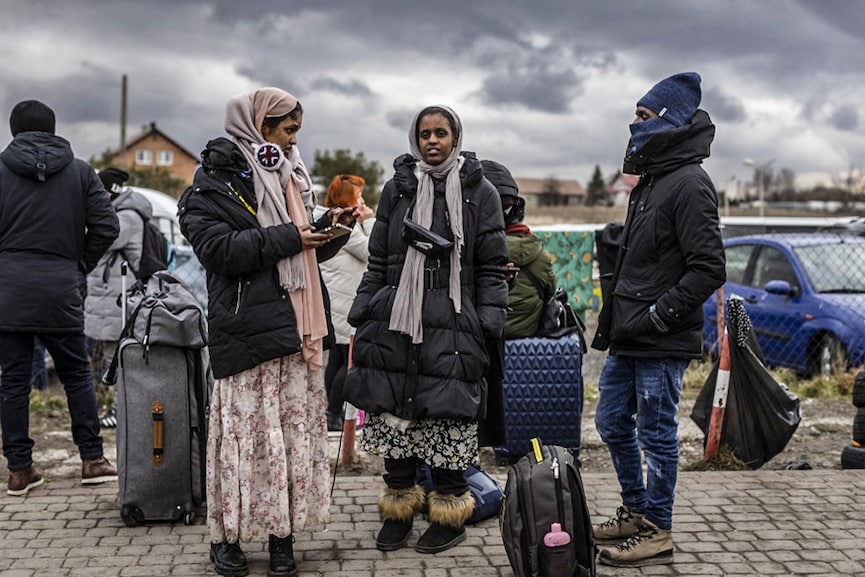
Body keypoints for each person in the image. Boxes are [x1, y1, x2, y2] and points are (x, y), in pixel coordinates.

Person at [178, 87, 353, 577]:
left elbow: (301, 254)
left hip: (296, 331)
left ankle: (282, 536)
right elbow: (219, 251)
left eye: (298, 132)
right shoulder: (212, 184)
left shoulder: (292, 178)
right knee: (241, 440)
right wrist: (292, 237)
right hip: (246, 333)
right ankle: (226, 538)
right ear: (259, 126)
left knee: (289, 441)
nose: (296, 142)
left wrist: (326, 230)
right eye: (289, 131)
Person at [343, 105, 509, 554]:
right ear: (415, 139)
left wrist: (487, 320)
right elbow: (378, 256)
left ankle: (450, 514)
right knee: (396, 412)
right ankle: (398, 510)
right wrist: (366, 306)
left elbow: (493, 265)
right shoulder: (396, 190)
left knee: (449, 416)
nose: (432, 141)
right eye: (424, 133)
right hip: (397, 314)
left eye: (441, 133)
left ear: (455, 137)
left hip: (454, 317)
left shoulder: (482, 192)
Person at [590, 72, 726, 567]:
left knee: (656, 432)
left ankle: (659, 530)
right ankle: (637, 510)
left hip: (660, 338)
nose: (634, 124)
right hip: (629, 334)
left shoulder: (690, 183)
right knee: (610, 422)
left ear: (668, 121)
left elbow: (709, 267)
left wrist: (656, 316)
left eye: (644, 117)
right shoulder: (650, 181)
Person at [0, 99, 120, 496]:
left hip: (9, 291)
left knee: (13, 381)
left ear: (14, 129)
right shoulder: (82, 172)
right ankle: (92, 460)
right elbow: (107, 226)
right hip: (60, 288)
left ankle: (19, 471)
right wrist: (77, 264)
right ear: (52, 128)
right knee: (75, 374)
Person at [83, 167, 155, 428]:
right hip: (105, 300)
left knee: (117, 359)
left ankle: (118, 409)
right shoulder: (117, 213)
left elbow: (99, 239)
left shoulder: (127, 217)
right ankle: (107, 406)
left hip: (117, 301)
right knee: (101, 359)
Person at [313, 174, 375, 432]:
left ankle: (333, 412)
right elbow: (372, 250)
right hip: (343, 299)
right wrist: (370, 220)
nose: (362, 201)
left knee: (337, 360)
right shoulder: (346, 225)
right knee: (343, 359)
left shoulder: (325, 219)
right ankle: (333, 413)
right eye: (358, 196)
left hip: (336, 296)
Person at [480, 159, 556, 339]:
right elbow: (549, 293)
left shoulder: (470, 251)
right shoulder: (540, 254)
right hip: (525, 335)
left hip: (480, 337)